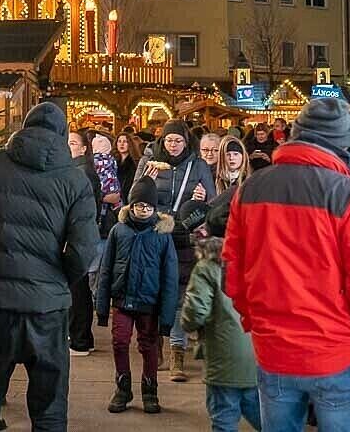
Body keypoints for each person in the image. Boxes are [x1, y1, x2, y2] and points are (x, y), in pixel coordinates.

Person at [224, 98, 350, 432]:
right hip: (337, 350)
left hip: (274, 349)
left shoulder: (251, 188)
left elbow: (233, 271)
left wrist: (255, 322)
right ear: (343, 142)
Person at [0, 102, 100, 432]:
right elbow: (84, 248)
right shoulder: (74, 180)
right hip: (47, 309)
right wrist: (60, 277)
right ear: (63, 135)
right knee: (49, 409)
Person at [133, 120, 212, 382]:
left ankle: (177, 350)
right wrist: (146, 181)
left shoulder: (197, 164)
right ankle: (155, 348)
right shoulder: (151, 163)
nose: (173, 145)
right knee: (152, 293)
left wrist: (201, 199)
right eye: (169, 140)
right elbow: (133, 196)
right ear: (162, 142)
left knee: (179, 295)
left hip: (183, 237)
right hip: (155, 235)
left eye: (178, 140)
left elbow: (209, 201)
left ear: (186, 141)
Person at [96, 178, 177, 415]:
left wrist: (167, 317)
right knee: (120, 341)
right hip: (122, 299)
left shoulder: (162, 235)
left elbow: (170, 278)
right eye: (138, 205)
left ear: (155, 208)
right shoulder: (118, 231)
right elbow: (106, 269)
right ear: (130, 206)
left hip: (148, 303)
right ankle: (123, 389)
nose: (143, 210)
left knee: (148, 346)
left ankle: (150, 391)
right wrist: (101, 307)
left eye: (148, 206)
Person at [181, 195, 261, 432]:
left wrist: (186, 323)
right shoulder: (259, 259)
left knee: (224, 420)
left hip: (223, 358)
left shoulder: (208, 266)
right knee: (266, 416)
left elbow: (195, 312)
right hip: (259, 355)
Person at [66, 129, 102, 357]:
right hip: (82, 234)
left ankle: (79, 338)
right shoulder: (80, 170)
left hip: (77, 236)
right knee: (80, 288)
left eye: (72, 143)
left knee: (77, 289)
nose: (67, 146)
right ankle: (83, 337)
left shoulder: (80, 172)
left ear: (83, 148)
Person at [115, 132, 141, 203]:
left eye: (125, 141)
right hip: (115, 198)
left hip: (129, 198)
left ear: (130, 144)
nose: (121, 144)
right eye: (119, 141)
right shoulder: (113, 161)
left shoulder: (135, 163)